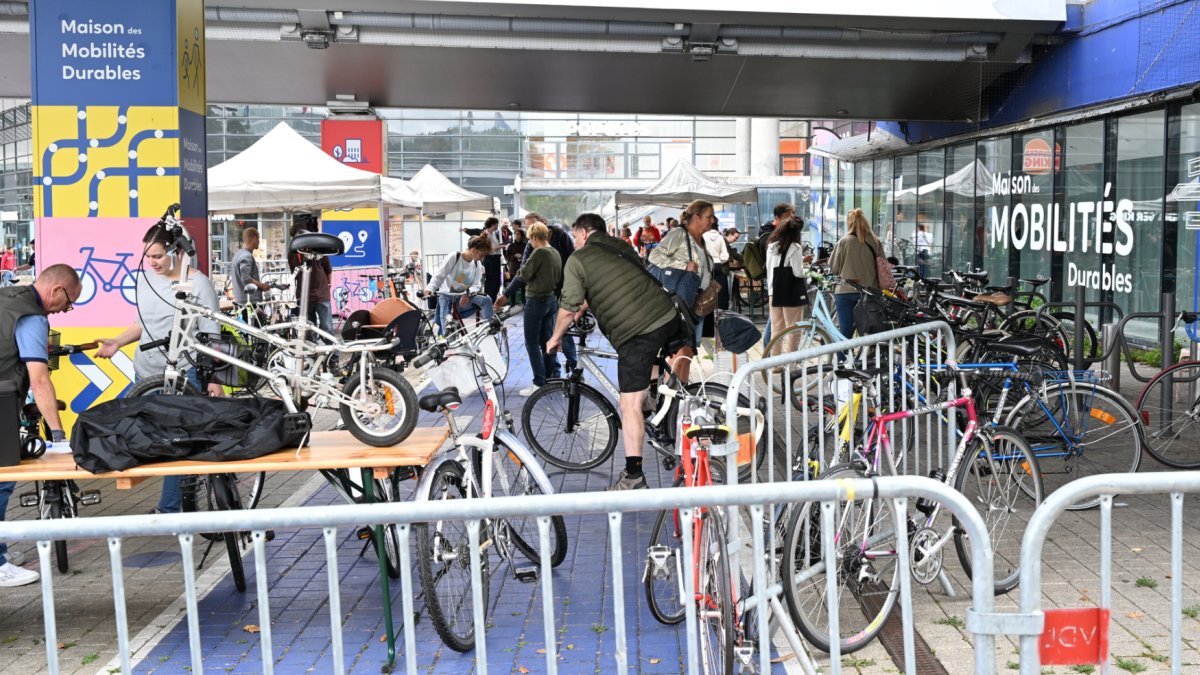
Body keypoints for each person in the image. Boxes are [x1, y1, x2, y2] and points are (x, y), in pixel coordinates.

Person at [96, 224, 223, 515]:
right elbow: (142, 324)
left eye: (157, 257)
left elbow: (211, 334)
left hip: (184, 374)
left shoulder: (198, 284)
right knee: (146, 436)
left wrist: (214, 378)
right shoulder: (145, 280)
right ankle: (180, 501)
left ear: (176, 251)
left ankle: (169, 509)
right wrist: (117, 342)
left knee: (176, 440)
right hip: (146, 373)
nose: (152, 263)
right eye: (147, 257)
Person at [547, 213, 679, 491]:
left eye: (575, 235)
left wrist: (556, 337)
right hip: (666, 314)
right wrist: (582, 308)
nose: (574, 240)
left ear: (583, 233)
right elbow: (604, 286)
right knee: (649, 362)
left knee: (627, 404)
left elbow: (568, 308)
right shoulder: (619, 245)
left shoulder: (578, 259)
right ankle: (652, 399)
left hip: (638, 330)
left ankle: (634, 476)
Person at [0, 264, 81, 586]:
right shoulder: (32, 317)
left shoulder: (7, 296)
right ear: (56, 290)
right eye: (68, 302)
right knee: (2, 481)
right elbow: (40, 379)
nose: (64, 310)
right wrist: (58, 435)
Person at [648, 200, 715, 383]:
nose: (712, 221)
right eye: (709, 216)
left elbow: (700, 268)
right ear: (696, 217)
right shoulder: (679, 233)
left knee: (688, 355)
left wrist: (710, 281)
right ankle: (669, 395)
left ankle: (681, 394)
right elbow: (655, 256)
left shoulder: (701, 240)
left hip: (695, 303)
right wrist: (684, 265)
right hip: (679, 303)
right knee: (680, 354)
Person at [496, 223, 561, 396]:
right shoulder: (554, 252)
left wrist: (506, 295)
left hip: (536, 300)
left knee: (532, 343)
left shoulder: (539, 252)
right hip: (551, 300)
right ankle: (549, 378)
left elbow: (522, 274)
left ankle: (539, 381)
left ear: (533, 237)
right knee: (546, 342)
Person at [522, 213, 577, 372]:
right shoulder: (533, 245)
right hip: (549, 295)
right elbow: (524, 268)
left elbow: (572, 259)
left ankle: (574, 367)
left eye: (533, 226)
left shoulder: (560, 235)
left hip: (561, 291)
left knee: (562, 331)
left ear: (543, 223)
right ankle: (554, 371)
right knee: (548, 336)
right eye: (528, 228)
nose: (531, 231)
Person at [425, 235, 495, 337]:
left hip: (464, 297)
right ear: (474, 250)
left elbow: (476, 284)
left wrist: (467, 293)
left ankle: (488, 331)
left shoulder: (477, 264)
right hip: (447, 297)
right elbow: (439, 275)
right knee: (448, 332)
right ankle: (448, 342)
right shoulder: (454, 257)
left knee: (486, 299)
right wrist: (430, 288)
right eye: (482, 254)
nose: (483, 257)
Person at [829, 208, 882, 340]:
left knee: (845, 330)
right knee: (868, 330)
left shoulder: (843, 242)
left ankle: (843, 354)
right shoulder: (875, 242)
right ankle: (868, 353)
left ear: (849, 223)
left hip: (845, 290)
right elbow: (883, 265)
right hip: (869, 292)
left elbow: (833, 268)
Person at [765, 216, 809, 357]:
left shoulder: (771, 246)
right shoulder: (795, 247)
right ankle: (791, 363)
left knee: (776, 330)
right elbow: (798, 272)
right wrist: (808, 271)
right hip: (790, 293)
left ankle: (775, 363)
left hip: (774, 291)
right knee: (794, 330)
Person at [286, 223, 334, 336]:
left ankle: (332, 348)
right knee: (308, 330)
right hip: (304, 297)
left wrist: (328, 283)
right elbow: (294, 272)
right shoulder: (292, 253)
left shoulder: (318, 248)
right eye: (293, 238)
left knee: (327, 328)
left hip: (321, 295)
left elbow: (328, 269)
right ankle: (312, 348)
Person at [462, 218, 505, 300]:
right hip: (491, 258)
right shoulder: (487, 234)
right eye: (497, 224)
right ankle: (489, 300)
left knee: (496, 281)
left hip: (495, 258)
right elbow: (490, 249)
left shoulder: (493, 234)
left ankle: (493, 300)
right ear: (493, 224)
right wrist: (500, 247)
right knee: (491, 281)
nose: (498, 226)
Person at [231, 227, 269, 306]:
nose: (259, 242)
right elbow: (246, 278)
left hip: (241, 300)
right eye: (258, 239)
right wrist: (262, 286)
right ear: (254, 238)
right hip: (250, 302)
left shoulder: (238, 255)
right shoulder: (246, 256)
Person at [702, 221, 729, 312]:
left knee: (706, 289)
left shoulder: (703, 236)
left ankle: (707, 311)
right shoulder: (720, 237)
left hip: (706, 265)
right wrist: (719, 261)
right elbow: (725, 256)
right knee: (716, 290)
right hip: (718, 265)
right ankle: (717, 311)